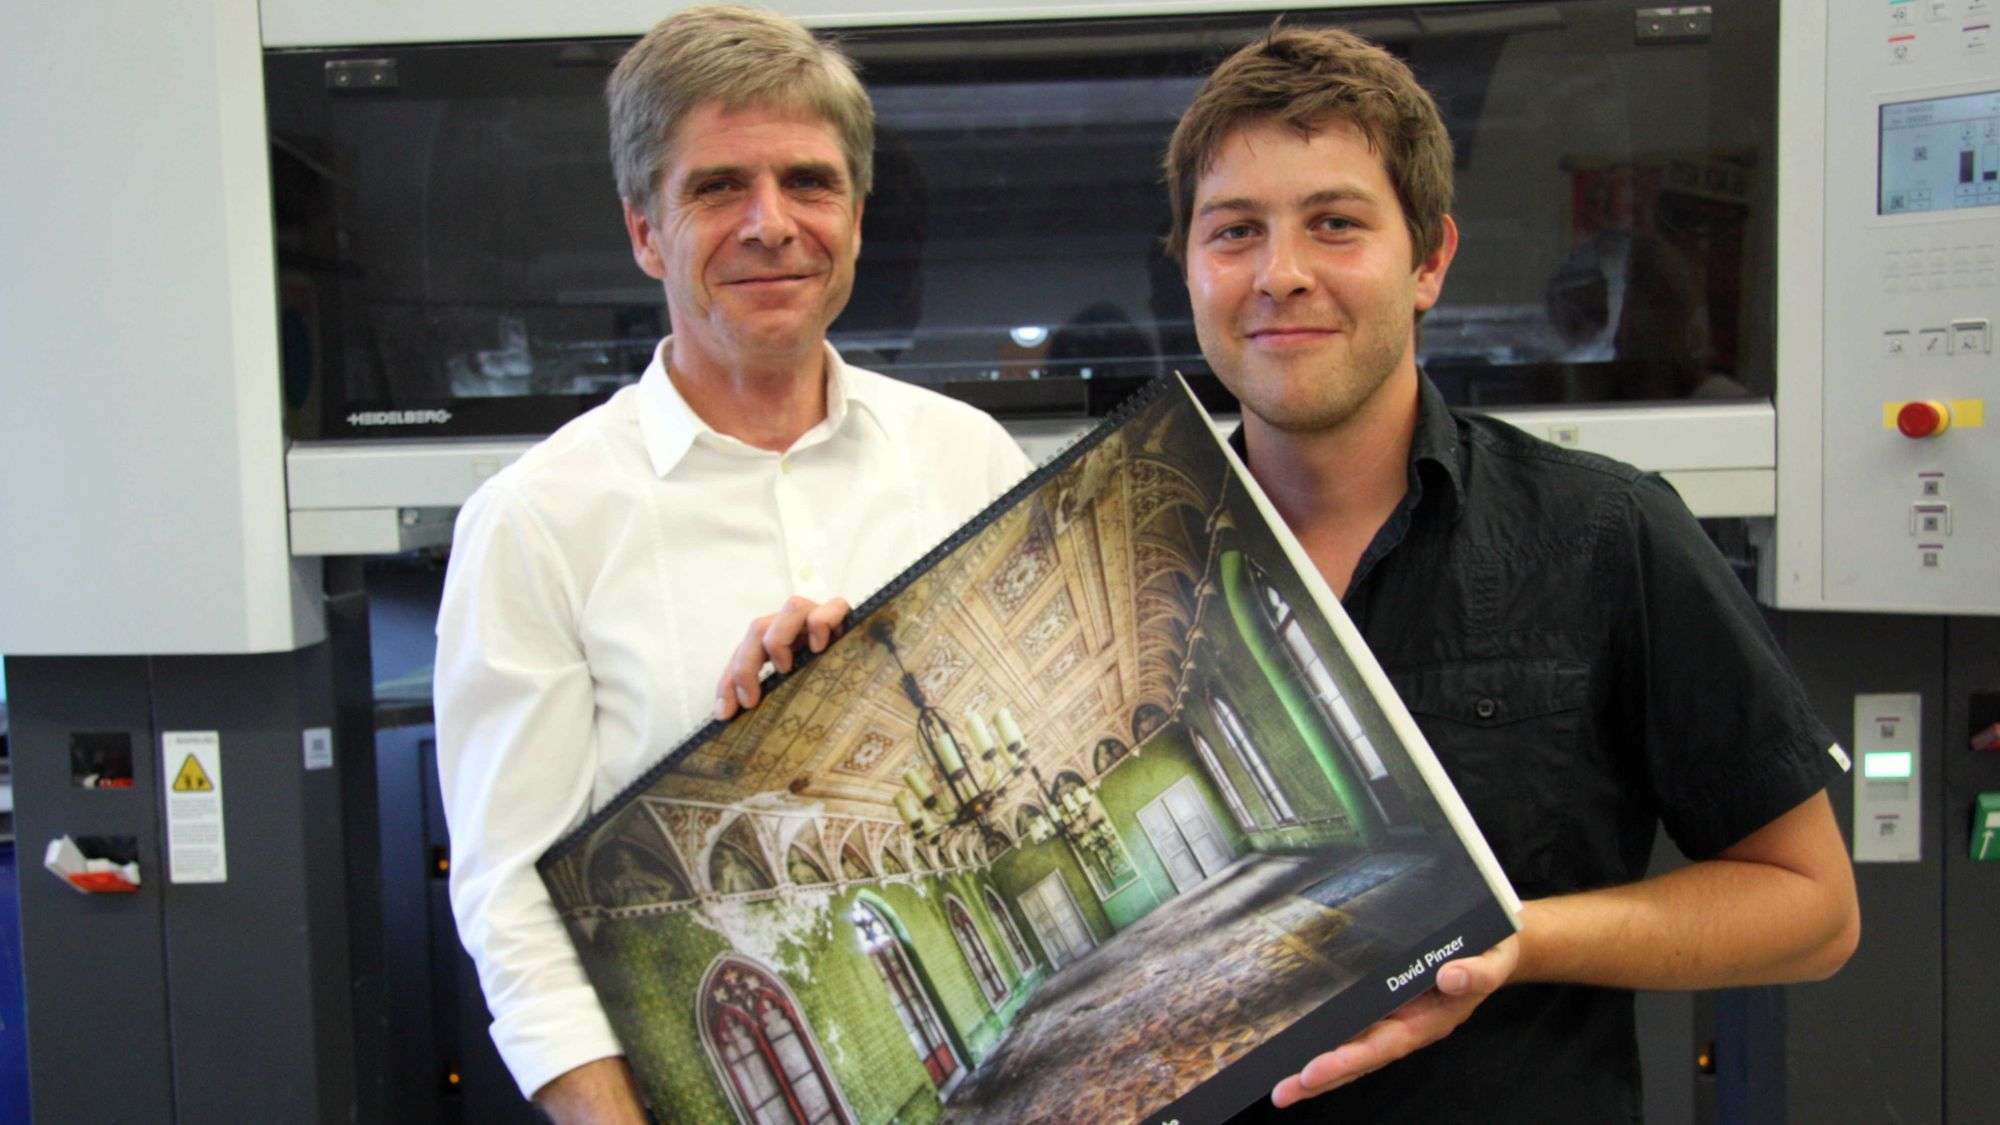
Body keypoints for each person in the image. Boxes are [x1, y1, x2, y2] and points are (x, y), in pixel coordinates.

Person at [1160, 27, 1860, 1120]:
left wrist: (1518, 940)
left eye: (1335, 223)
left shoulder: (1603, 534)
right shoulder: (1137, 555)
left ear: (1429, 261)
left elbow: (1812, 911)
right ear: (1189, 266)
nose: (1279, 273)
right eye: (1234, 230)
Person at [431, 8, 1031, 1122]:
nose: (771, 224)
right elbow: (514, 905)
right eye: (717, 188)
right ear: (645, 232)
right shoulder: (534, 522)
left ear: (854, 218)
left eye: (809, 183)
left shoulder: (970, 459)